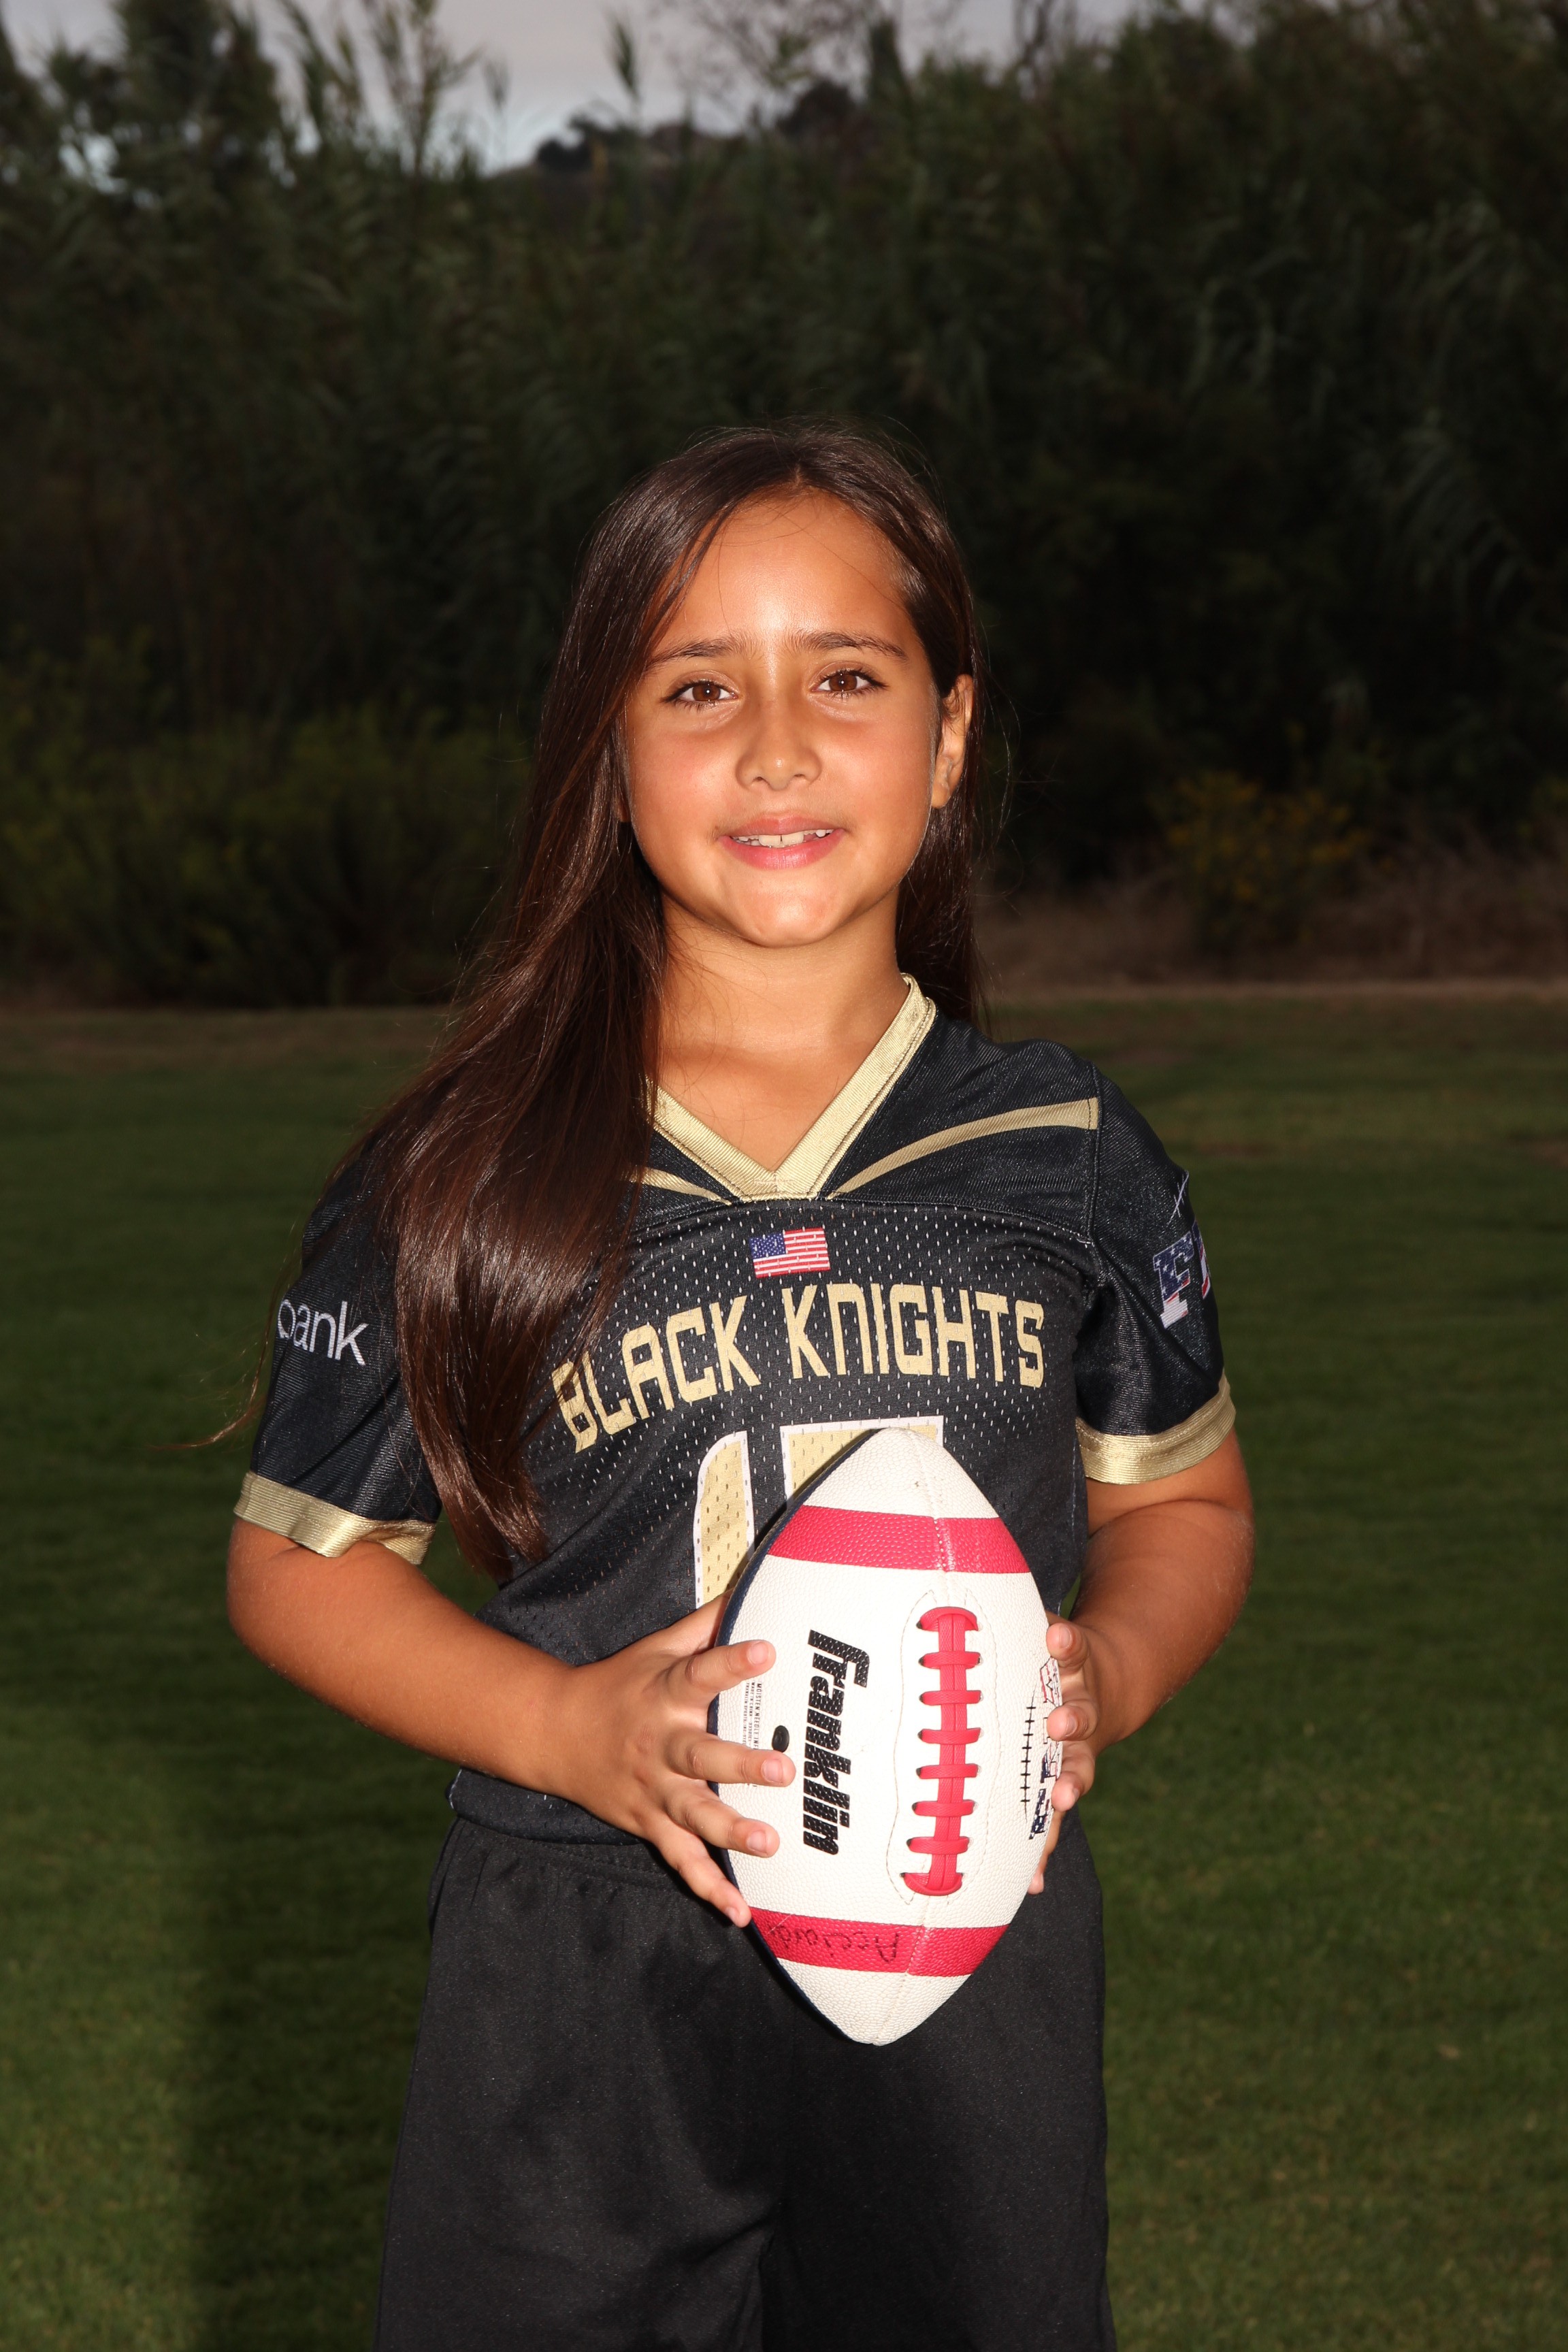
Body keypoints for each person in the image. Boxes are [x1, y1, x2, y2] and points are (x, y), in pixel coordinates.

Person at [227, 423, 1254, 2352]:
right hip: (578, 1969)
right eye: (698, 689)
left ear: (949, 736)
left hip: (966, 1942)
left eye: (844, 679)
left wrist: (1108, 1672)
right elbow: (300, 1565)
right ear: (607, 753)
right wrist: (566, 1728)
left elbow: (1185, 1504)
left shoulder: (1065, 1152)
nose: (776, 748)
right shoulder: (468, 1168)